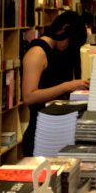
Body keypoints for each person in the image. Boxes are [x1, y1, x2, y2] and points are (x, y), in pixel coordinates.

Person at [21, 11, 89, 156]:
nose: (69, 46)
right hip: (40, 133)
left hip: (58, 130)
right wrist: (68, 86)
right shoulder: (37, 53)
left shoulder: (59, 52)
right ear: (64, 28)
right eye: (70, 40)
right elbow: (29, 96)